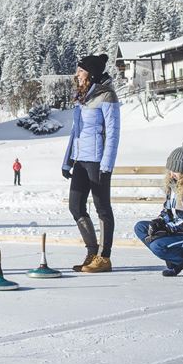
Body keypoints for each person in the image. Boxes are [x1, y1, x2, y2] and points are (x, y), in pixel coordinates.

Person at [62, 53, 121, 274]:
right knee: (75, 206)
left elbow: (113, 133)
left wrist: (107, 164)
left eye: (81, 70)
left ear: (91, 73)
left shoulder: (107, 95)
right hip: (81, 159)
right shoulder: (83, 96)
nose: (77, 74)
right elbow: (75, 132)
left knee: (102, 208)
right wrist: (67, 160)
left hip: (98, 161)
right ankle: (92, 252)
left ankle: (104, 258)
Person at [134, 139, 183, 277]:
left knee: (157, 246)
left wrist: (169, 229)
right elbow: (167, 210)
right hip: (176, 230)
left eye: (175, 171)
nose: (171, 174)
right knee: (141, 227)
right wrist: (159, 222)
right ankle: (174, 261)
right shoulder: (174, 184)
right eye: (170, 170)